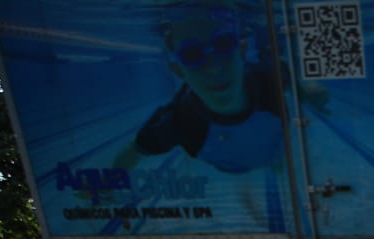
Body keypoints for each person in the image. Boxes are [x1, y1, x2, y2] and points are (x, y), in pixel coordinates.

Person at [116, 2, 285, 175]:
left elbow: (312, 95)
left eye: (224, 44)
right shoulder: (177, 122)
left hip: (271, 153)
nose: (214, 68)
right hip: (230, 166)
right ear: (178, 70)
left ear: (241, 51)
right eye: (192, 55)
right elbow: (134, 151)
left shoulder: (273, 80)